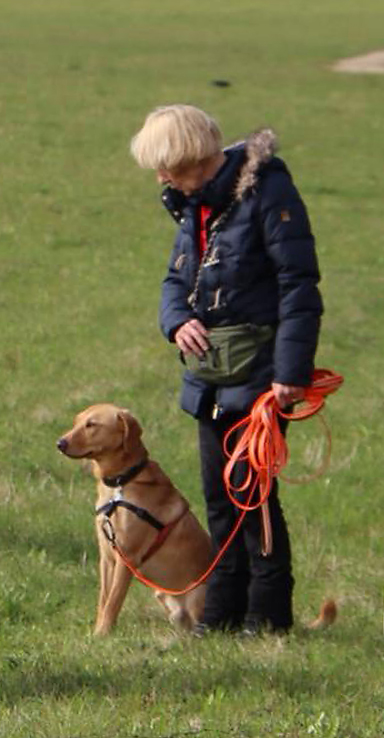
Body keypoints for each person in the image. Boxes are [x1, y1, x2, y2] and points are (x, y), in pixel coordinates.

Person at [130, 105, 323, 635]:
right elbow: (176, 280)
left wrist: (290, 374)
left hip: (261, 376)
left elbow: (298, 286)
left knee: (253, 495)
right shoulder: (193, 206)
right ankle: (222, 612)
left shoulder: (268, 194)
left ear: (192, 157)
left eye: (165, 165)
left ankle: (268, 614)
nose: (160, 177)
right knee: (219, 496)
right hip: (209, 374)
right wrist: (177, 323)